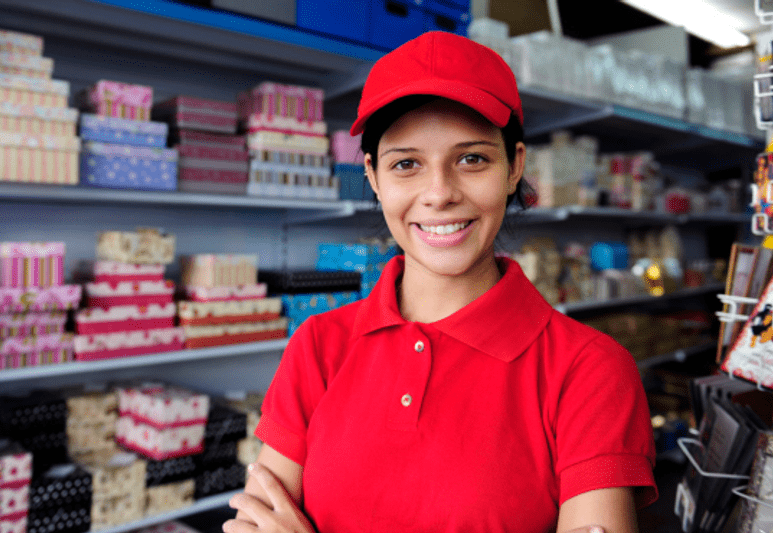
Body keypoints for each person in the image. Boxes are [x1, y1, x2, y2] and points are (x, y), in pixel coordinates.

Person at [224, 31, 657, 533]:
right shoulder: (318, 347)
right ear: (373, 176)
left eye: (472, 159)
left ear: (515, 166)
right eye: (406, 164)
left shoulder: (588, 371)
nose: (439, 193)